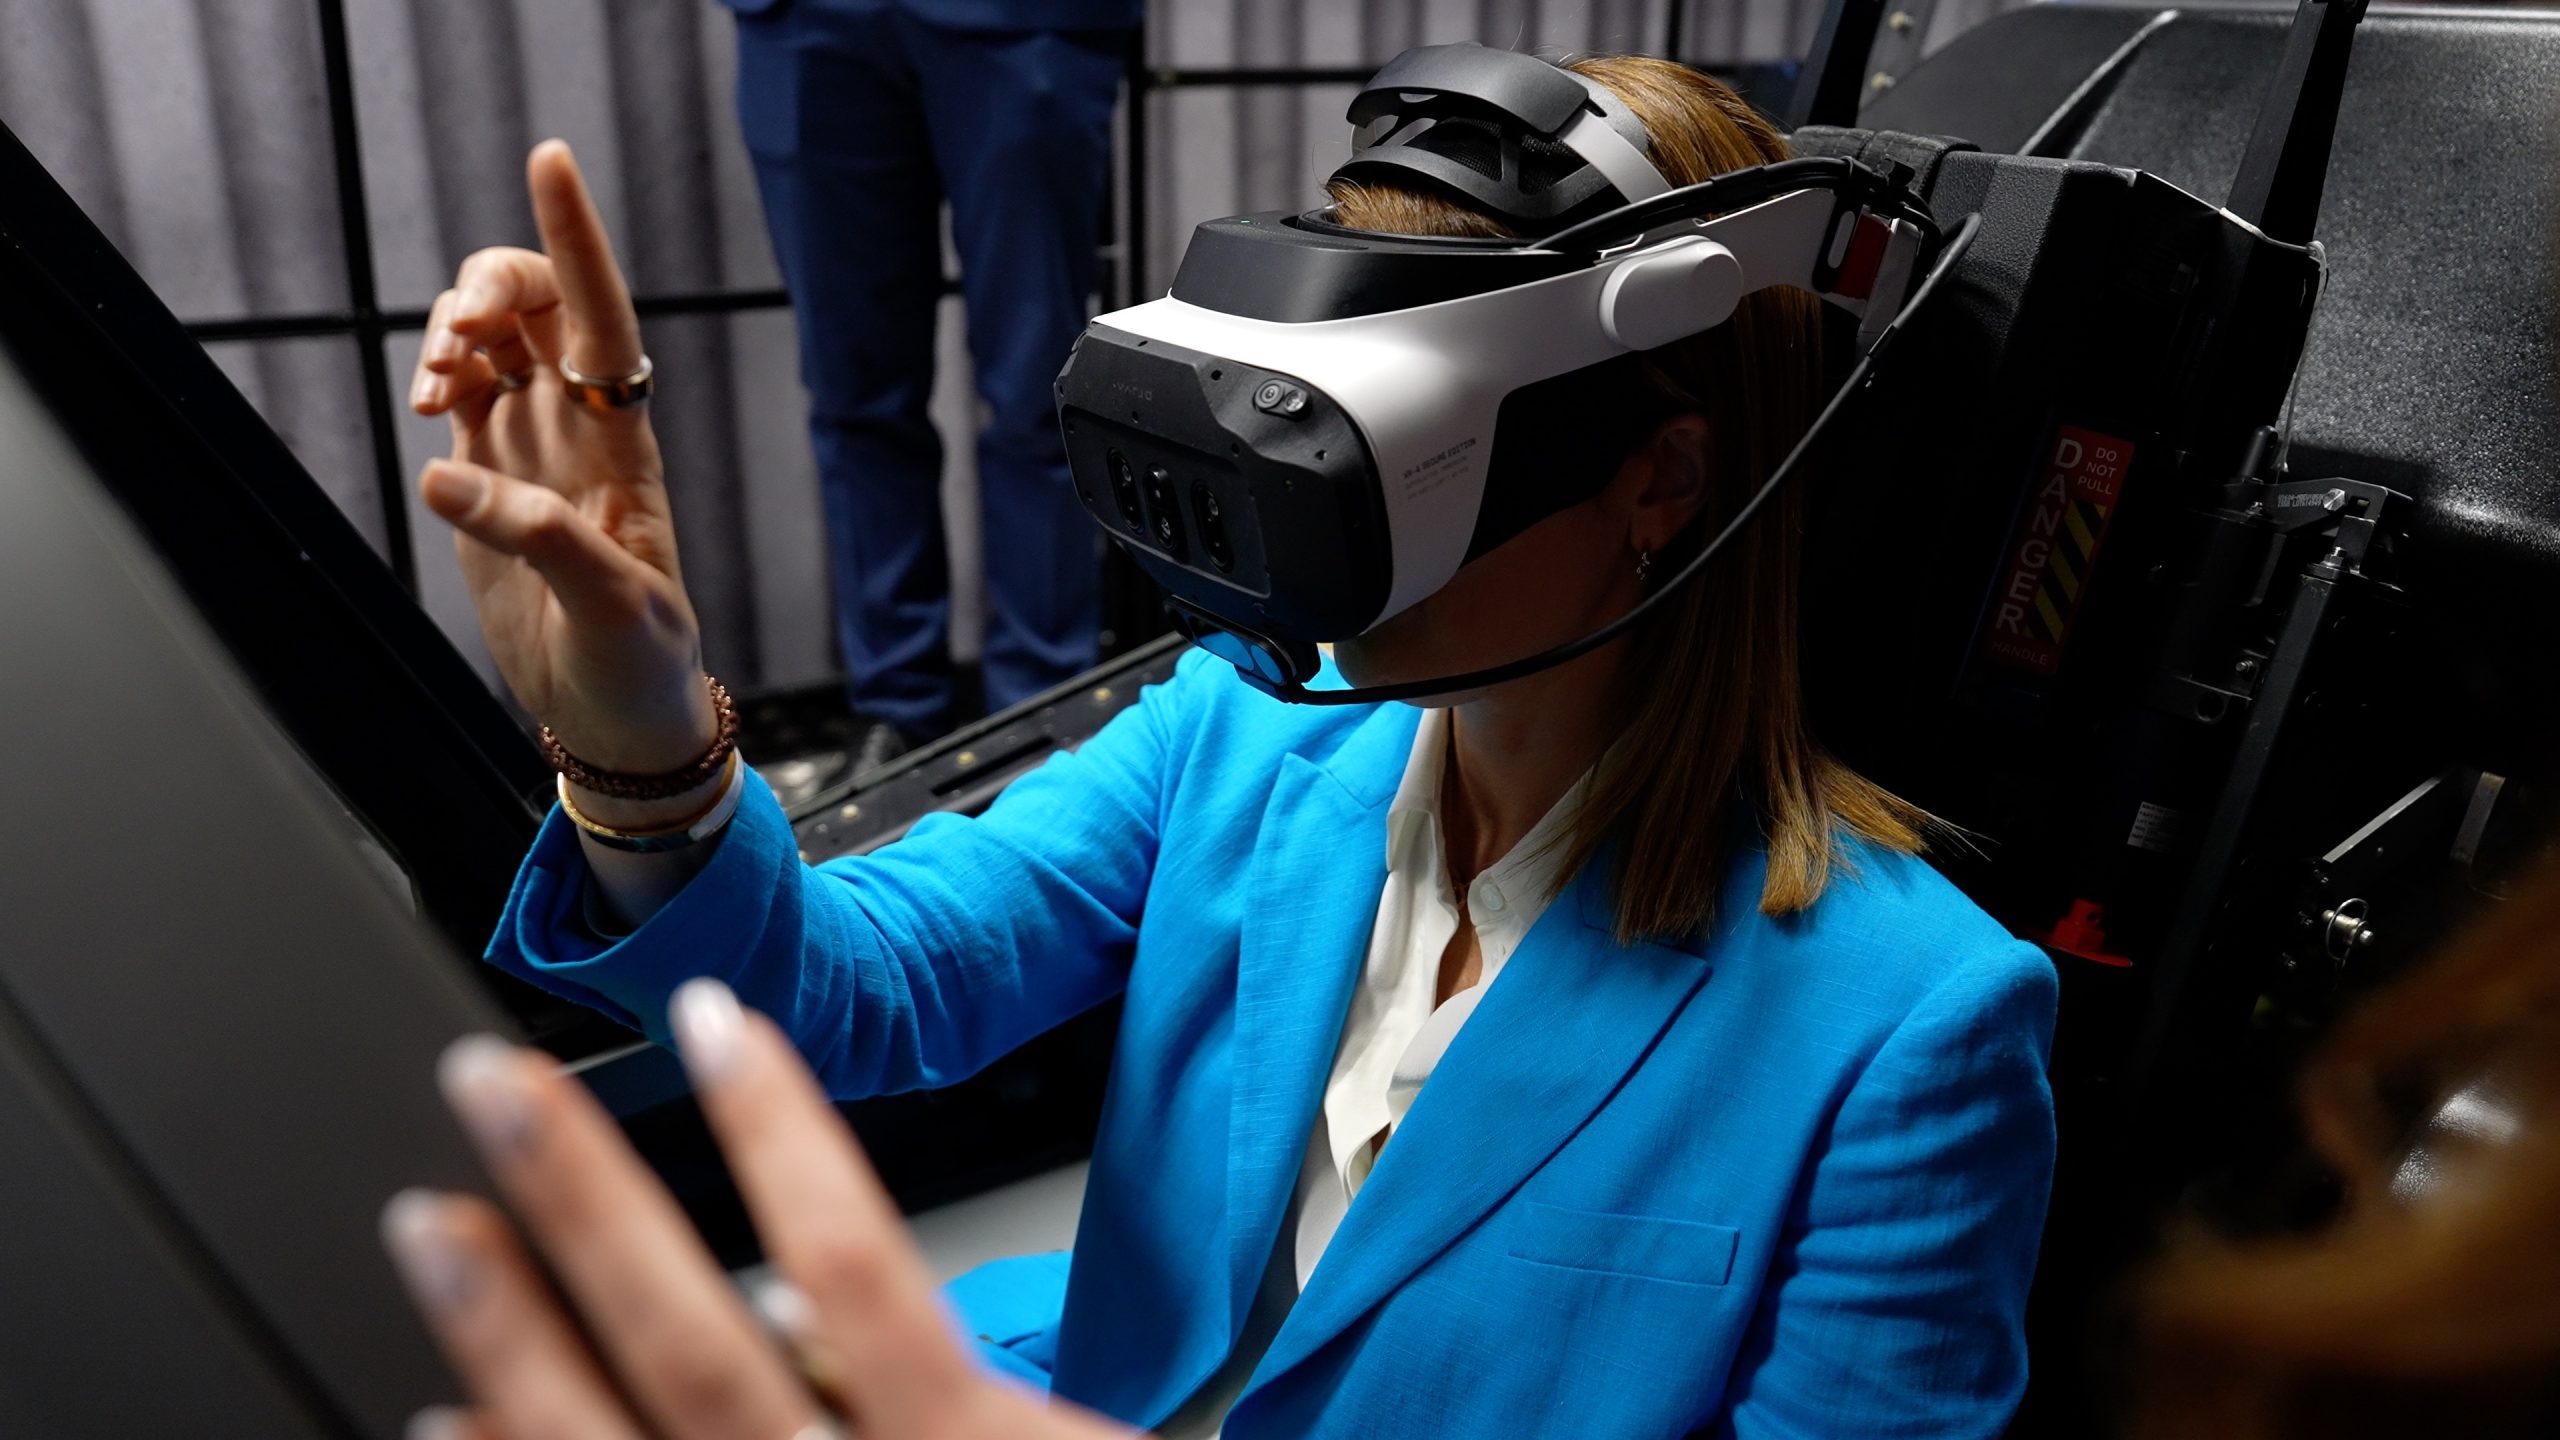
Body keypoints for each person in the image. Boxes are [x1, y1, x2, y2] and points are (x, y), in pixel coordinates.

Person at [404, 53, 2057, 1439]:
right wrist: (637, 730)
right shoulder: (1249, 730)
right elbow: (854, 986)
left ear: (1662, 479)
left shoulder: (1910, 1033)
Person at [721, 0, 1136, 770]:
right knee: (853, 397)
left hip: (1022, 22)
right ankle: (895, 706)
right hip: (808, 20)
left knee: (1040, 394)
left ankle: (1041, 714)